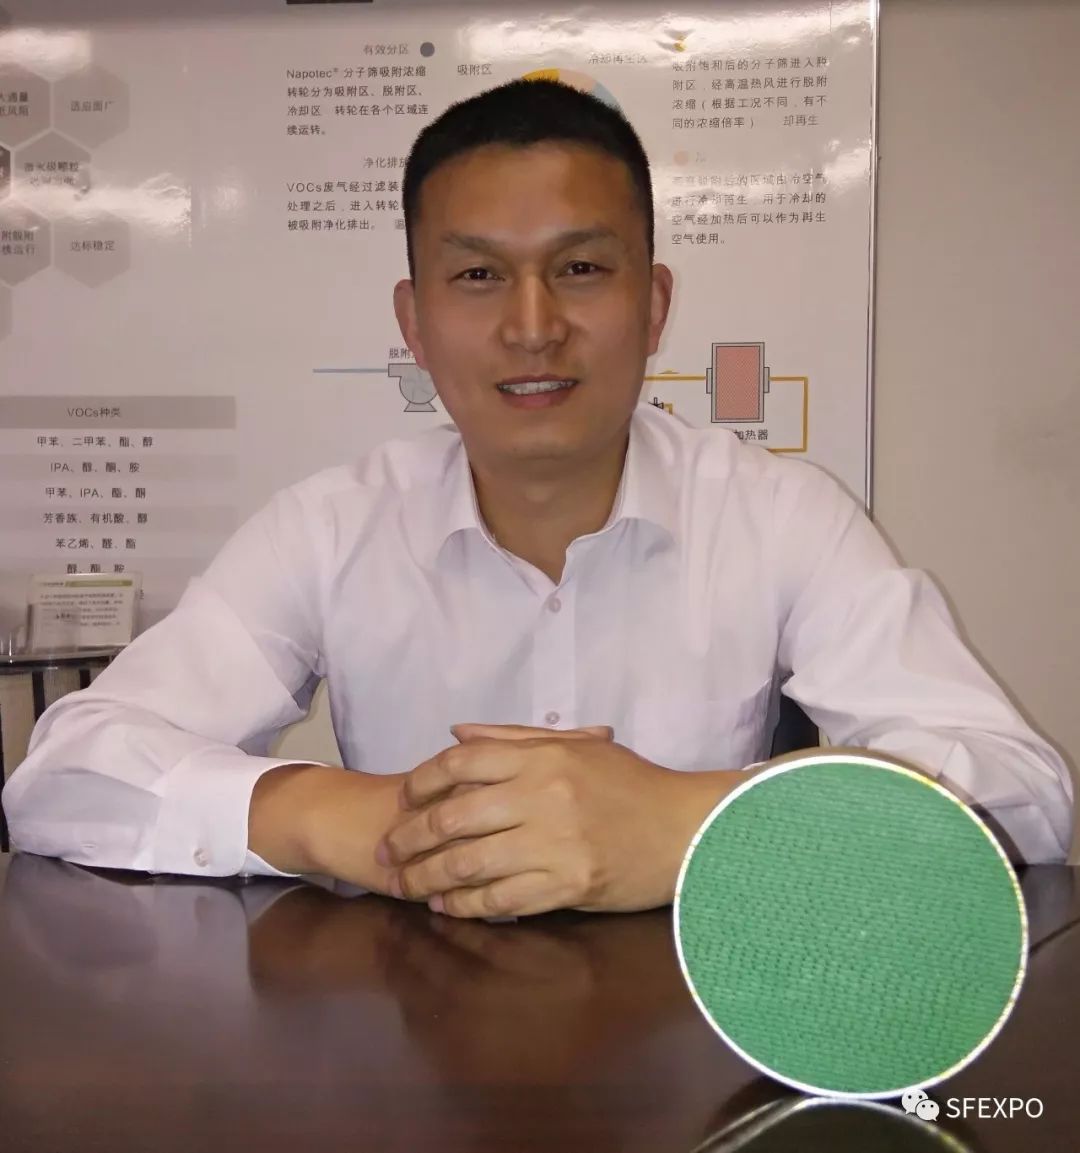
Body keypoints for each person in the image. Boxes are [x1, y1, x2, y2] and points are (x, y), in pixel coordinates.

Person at [5, 80, 1073, 917]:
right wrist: (352, 816)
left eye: (581, 269)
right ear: (414, 322)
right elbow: (63, 771)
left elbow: (1025, 797)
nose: (531, 327)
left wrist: (693, 823)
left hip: (703, 1048)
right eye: (477, 276)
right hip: (406, 1053)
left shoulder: (779, 513)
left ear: (653, 305)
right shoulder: (331, 527)